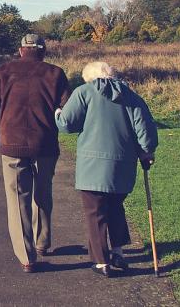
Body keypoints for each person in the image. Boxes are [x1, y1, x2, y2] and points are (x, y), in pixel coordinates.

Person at [55, 61, 158, 278]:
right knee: (115, 207)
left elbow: (66, 124)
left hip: (92, 167)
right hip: (123, 165)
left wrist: (57, 113)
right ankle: (118, 251)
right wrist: (147, 152)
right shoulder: (131, 96)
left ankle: (101, 261)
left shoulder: (84, 92)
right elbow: (145, 130)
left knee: (95, 212)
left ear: (89, 78)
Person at [0, 34, 70, 273]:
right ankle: (42, 242)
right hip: (45, 145)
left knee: (17, 199)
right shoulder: (56, 73)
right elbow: (67, 109)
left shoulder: (4, 71)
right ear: (42, 51)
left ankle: (27, 257)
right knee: (43, 193)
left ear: (21, 50)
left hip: (12, 144)